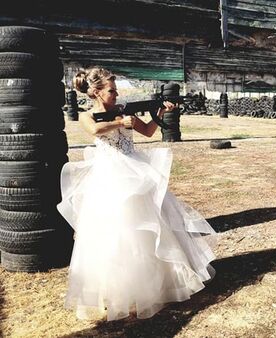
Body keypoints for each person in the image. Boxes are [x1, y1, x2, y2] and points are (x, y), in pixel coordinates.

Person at [57, 67, 217, 321]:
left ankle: (157, 285)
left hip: (135, 168)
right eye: (111, 90)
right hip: (110, 174)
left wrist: (161, 111)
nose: (116, 93)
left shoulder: (122, 109)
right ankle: (115, 291)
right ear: (96, 92)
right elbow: (95, 131)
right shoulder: (89, 116)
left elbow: (148, 131)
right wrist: (121, 122)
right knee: (115, 232)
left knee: (151, 226)